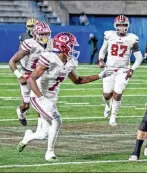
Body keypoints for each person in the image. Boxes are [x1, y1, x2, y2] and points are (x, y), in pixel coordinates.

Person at [17, 32, 114, 161]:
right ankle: (49, 153)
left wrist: (100, 75)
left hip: (51, 98)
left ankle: (28, 136)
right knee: (57, 119)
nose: (73, 48)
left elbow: (77, 80)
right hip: (38, 96)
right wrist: (41, 98)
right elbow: (31, 79)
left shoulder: (70, 62)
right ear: (64, 46)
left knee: (43, 134)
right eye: (71, 45)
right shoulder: (49, 58)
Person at [98, 15, 144, 126]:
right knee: (107, 95)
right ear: (115, 26)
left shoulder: (132, 38)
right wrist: (100, 60)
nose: (122, 27)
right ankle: (108, 106)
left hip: (123, 70)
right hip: (109, 68)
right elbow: (103, 50)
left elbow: (139, 57)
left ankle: (113, 117)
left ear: (127, 26)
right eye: (119, 25)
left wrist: (132, 69)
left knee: (117, 93)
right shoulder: (109, 35)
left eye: (124, 25)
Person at [9, 22, 52, 127]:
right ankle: (20, 111)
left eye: (46, 34)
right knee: (26, 105)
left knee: (40, 100)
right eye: (42, 34)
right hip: (27, 74)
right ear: (36, 34)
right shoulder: (29, 43)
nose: (45, 36)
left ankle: (41, 128)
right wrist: (19, 76)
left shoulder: (51, 43)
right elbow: (12, 61)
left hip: (39, 75)